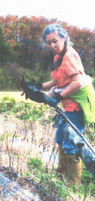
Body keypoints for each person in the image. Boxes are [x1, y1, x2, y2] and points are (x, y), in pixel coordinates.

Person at [37, 24, 95, 185]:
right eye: (48, 43)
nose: (52, 46)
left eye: (55, 41)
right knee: (61, 137)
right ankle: (62, 175)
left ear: (63, 38)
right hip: (68, 103)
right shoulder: (58, 57)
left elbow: (77, 82)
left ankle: (73, 184)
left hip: (78, 103)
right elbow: (58, 80)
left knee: (71, 140)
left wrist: (59, 96)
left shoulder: (69, 55)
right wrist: (40, 86)